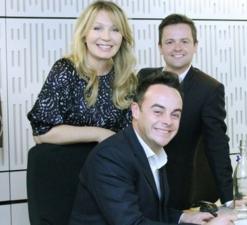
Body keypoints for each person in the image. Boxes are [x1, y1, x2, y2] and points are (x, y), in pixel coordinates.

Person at [68, 71, 236, 225]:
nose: (168, 121)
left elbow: (152, 212)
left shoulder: (154, 150)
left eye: (175, 114)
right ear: (136, 110)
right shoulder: (110, 158)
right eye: (158, 111)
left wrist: (184, 217)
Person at [26, 1, 136, 225]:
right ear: (84, 33)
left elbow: (128, 139)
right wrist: (99, 133)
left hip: (106, 178)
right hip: (62, 181)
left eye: (115, 29)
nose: (106, 37)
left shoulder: (127, 79)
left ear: (123, 37)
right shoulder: (65, 69)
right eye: (97, 28)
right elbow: (42, 132)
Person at [137, 13, 233, 210]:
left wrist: (228, 199)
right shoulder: (144, 78)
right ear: (160, 47)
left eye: (184, 41)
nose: (177, 48)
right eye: (170, 42)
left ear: (195, 46)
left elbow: (217, 144)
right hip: (138, 181)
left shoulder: (209, 88)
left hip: (179, 186)